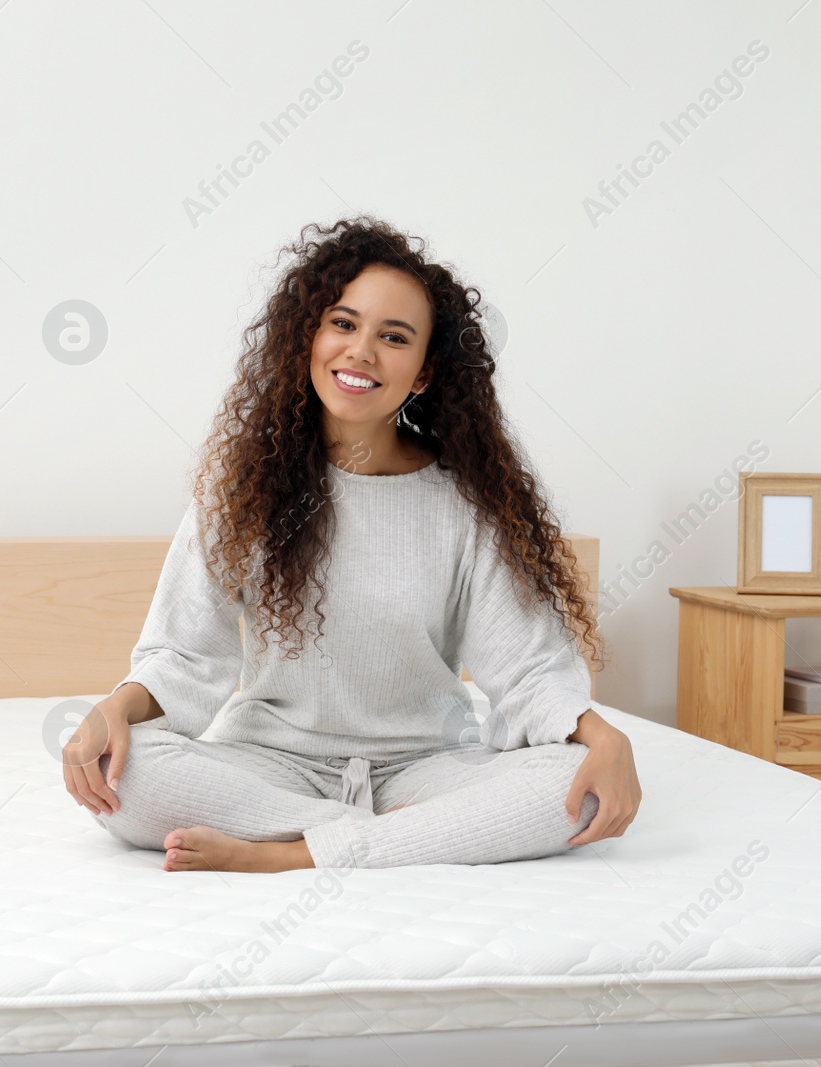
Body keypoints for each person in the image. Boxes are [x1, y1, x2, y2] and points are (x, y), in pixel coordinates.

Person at [62, 216, 641, 872]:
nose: (361, 351)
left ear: (422, 373)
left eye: (394, 337)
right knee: (129, 775)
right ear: (307, 337)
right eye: (343, 323)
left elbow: (530, 669)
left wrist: (601, 735)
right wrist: (116, 707)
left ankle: (293, 852)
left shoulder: (466, 504)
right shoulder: (240, 491)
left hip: (425, 766)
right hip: (270, 763)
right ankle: (397, 837)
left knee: (573, 791)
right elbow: (184, 655)